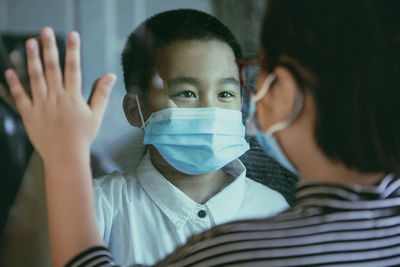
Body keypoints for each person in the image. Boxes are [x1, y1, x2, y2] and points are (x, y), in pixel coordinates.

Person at [6, 0, 400, 266]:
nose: (213, 108)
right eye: (187, 93)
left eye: (231, 90)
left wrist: (62, 156)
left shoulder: (241, 244)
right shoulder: (102, 203)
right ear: (135, 110)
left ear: (288, 93)